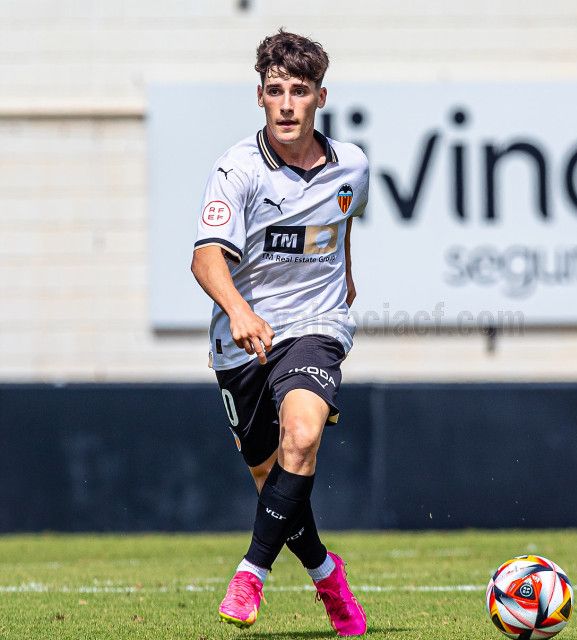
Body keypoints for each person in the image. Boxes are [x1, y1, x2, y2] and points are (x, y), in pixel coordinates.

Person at [190, 30, 368, 636]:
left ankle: (251, 573)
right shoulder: (237, 170)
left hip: (315, 328)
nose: (287, 103)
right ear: (260, 97)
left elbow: (342, 224)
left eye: (299, 91)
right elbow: (206, 257)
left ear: (321, 96)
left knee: (303, 433)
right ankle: (325, 574)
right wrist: (239, 310)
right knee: (276, 484)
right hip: (241, 341)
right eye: (275, 91)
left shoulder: (353, 166)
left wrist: (344, 281)